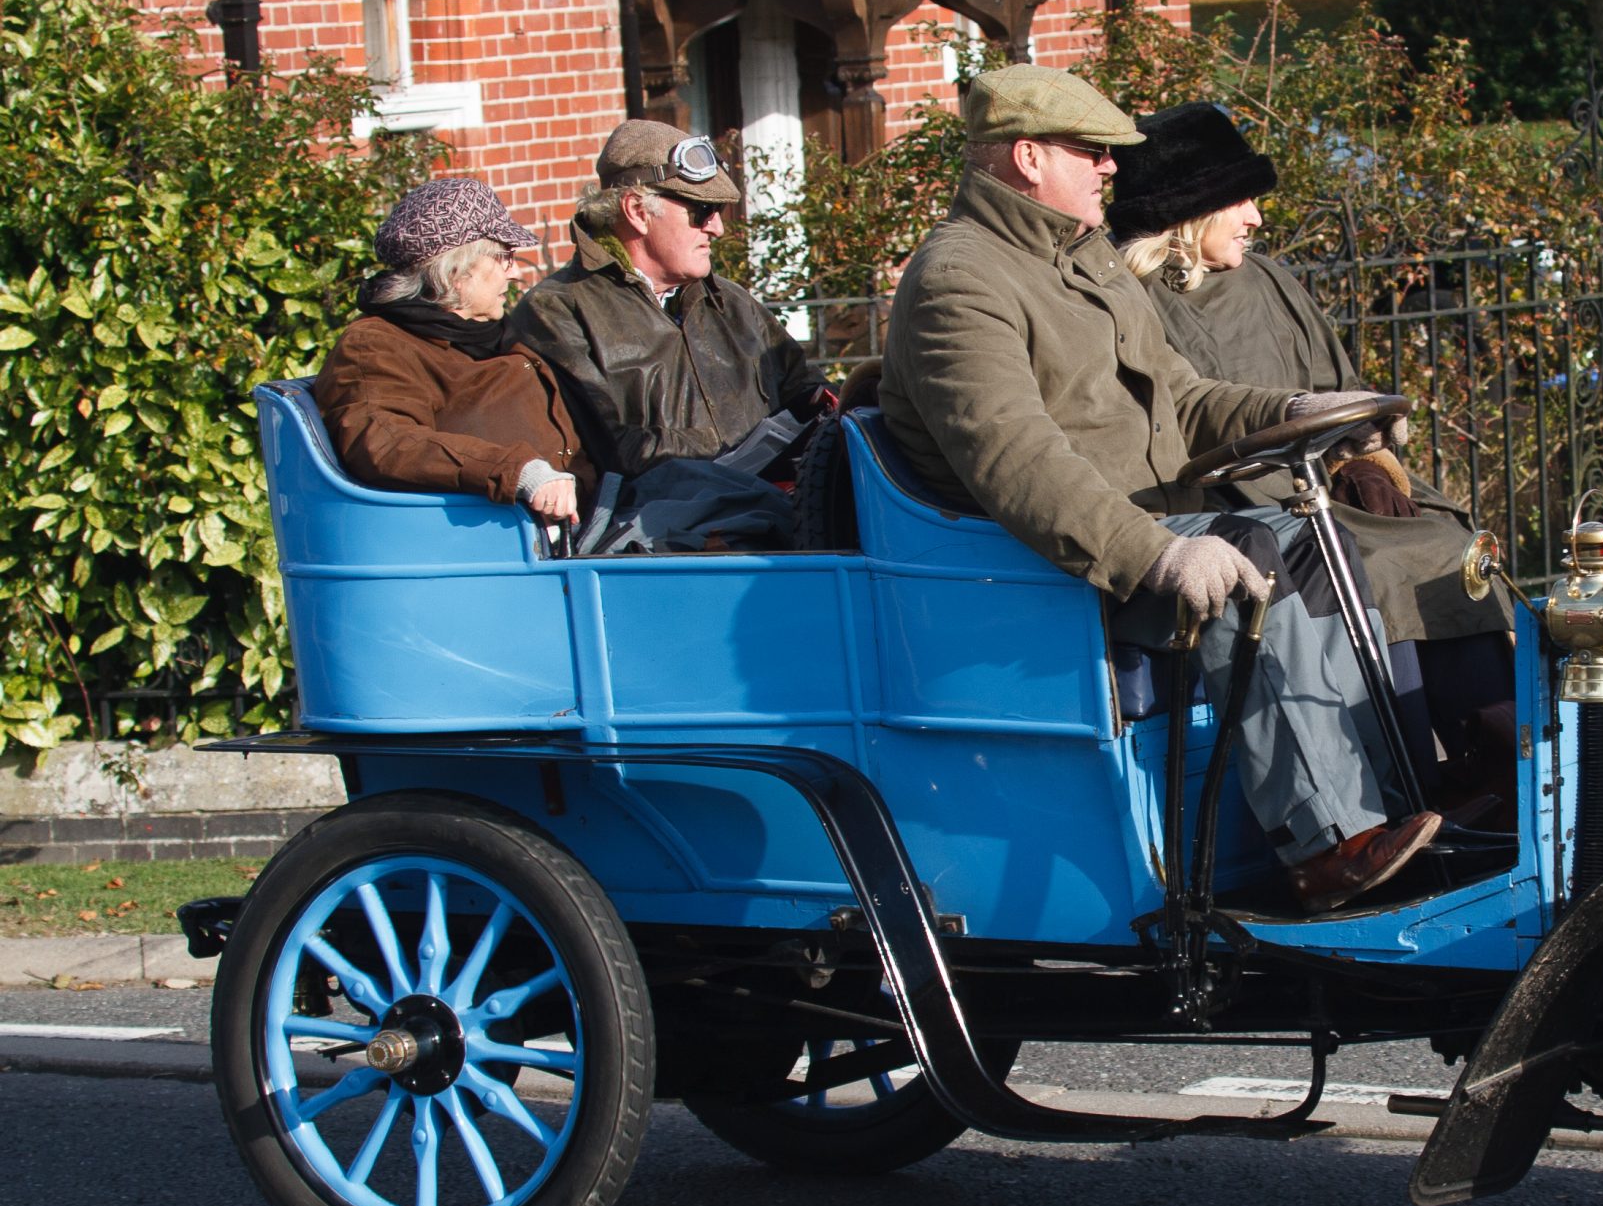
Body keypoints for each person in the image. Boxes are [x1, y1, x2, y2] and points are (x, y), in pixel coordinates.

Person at [878, 65, 1443, 912]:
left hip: (1138, 540)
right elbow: (1018, 462)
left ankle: (1390, 815)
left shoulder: (1087, 259)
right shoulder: (959, 279)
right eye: (1094, 151)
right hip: (1042, 573)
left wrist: (1302, 407)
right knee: (1252, 546)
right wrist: (1159, 553)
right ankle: (1328, 847)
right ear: (1028, 157)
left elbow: (1187, 396)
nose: (1112, 168)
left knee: (1310, 538)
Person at [1108, 102, 1516, 812]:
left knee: (1448, 542)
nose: (1255, 218)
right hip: (1238, 504)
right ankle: (1406, 792)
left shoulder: (1269, 281)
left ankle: (1503, 757)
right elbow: (1180, 428)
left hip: (1323, 482)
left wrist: (1365, 456)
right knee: (1381, 564)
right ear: (1187, 209)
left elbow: (1334, 389)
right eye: (1238, 200)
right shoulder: (1134, 302)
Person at [508, 121, 831, 478]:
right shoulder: (557, 311)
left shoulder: (730, 300)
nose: (717, 228)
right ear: (637, 211)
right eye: (701, 212)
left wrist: (835, 405)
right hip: (655, 528)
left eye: (718, 212)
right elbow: (608, 447)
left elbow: (805, 390)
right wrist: (732, 450)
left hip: (771, 515)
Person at [315, 177, 594, 526]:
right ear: (456, 272)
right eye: (504, 256)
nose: (514, 272)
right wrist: (520, 471)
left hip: (588, 513)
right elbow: (385, 440)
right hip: (504, 544)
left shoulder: (492, 333)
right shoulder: (377, 343)